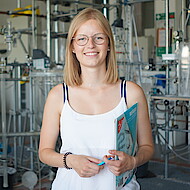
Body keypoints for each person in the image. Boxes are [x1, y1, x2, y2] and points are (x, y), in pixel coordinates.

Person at [39, 7, 154, 190]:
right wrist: (71, 160)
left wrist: (132, 162)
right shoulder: (58, 95)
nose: (90, 45)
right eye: (82, 39)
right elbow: (44, 152)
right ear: (73, 47)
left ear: (108, 44)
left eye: (98, 38)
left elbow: (147, 147)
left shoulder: (131, 93)